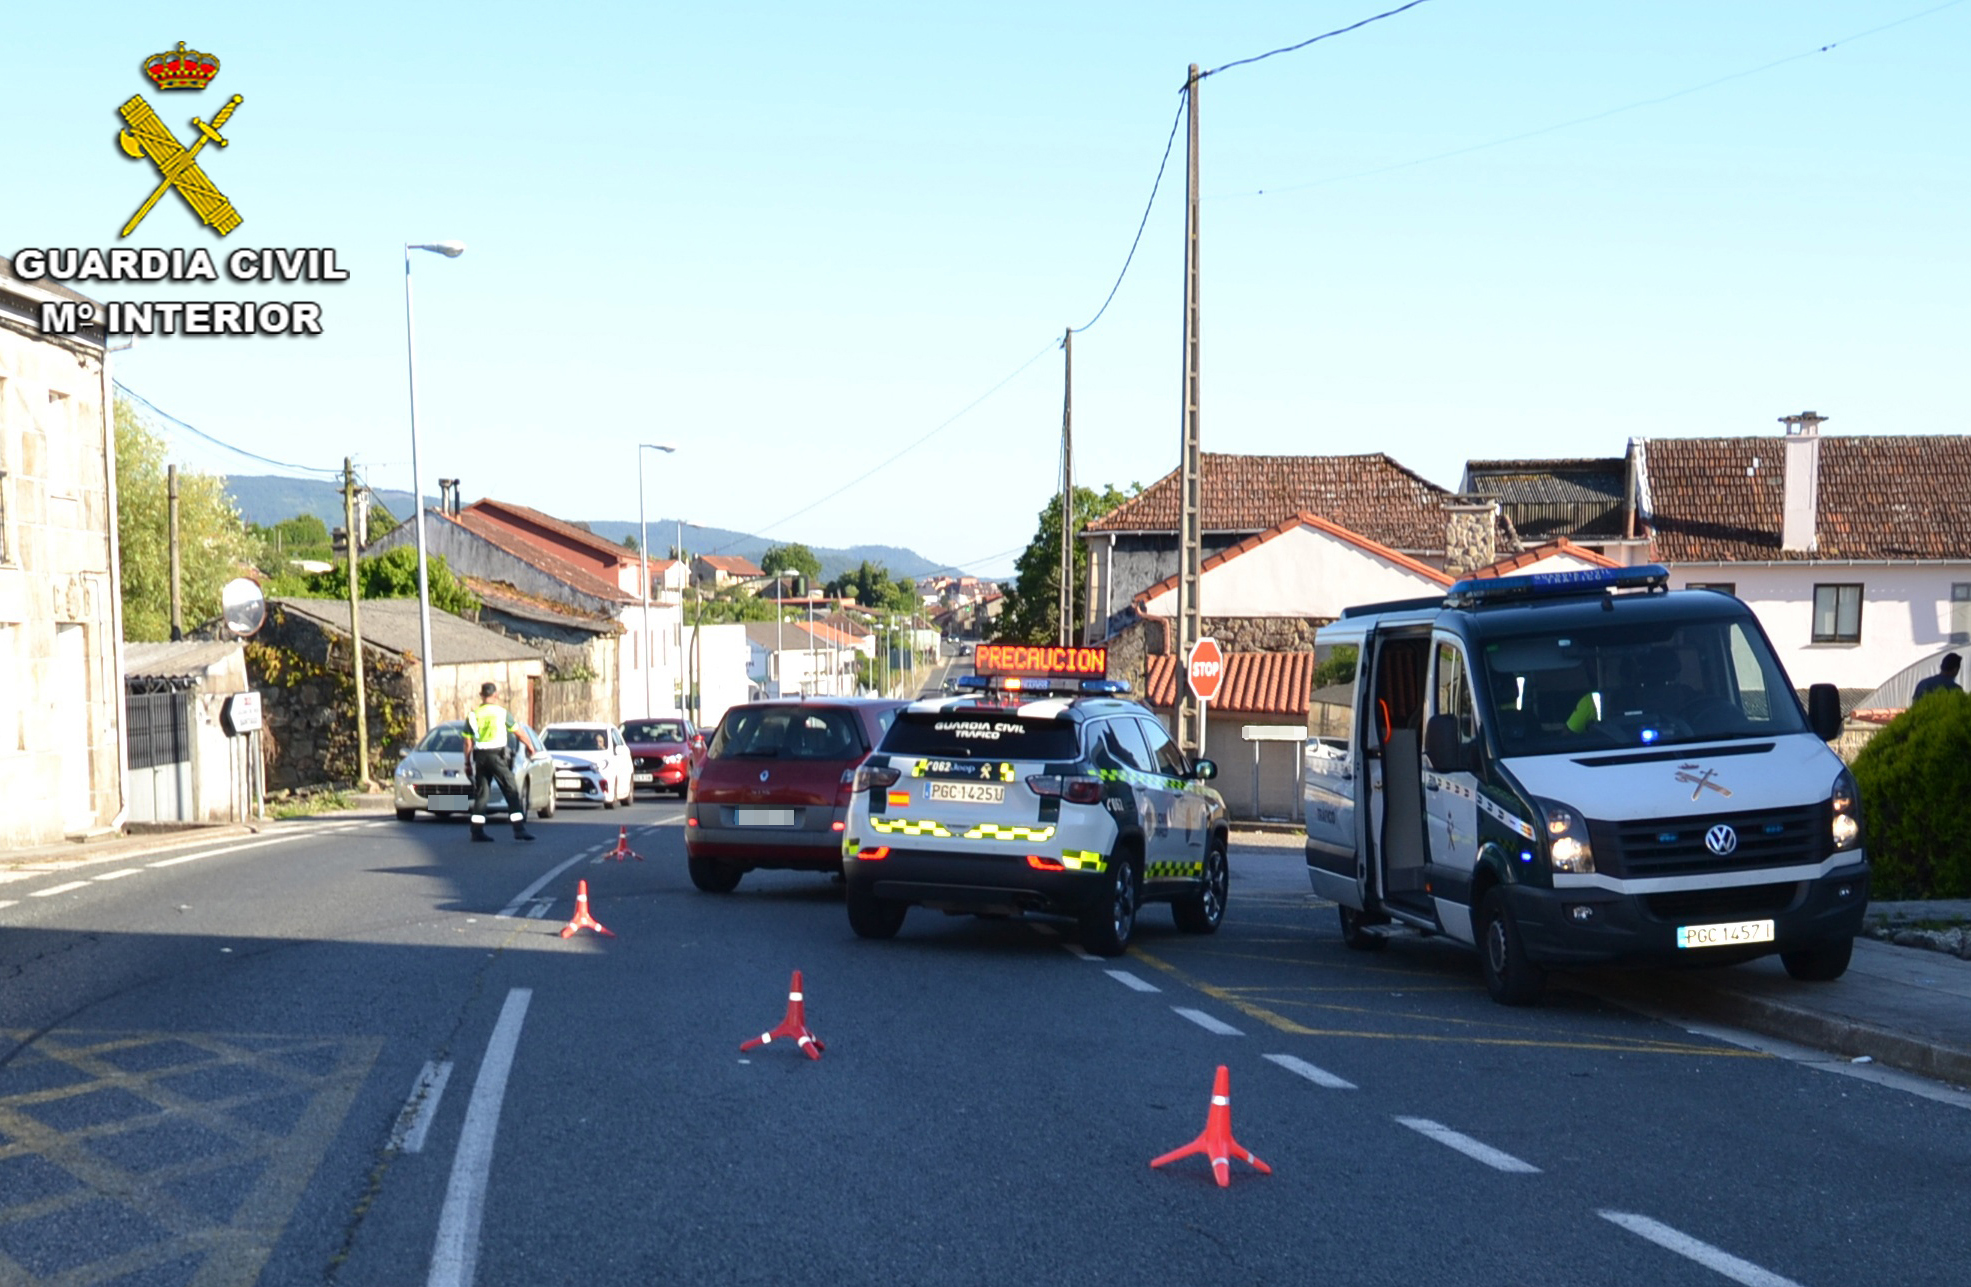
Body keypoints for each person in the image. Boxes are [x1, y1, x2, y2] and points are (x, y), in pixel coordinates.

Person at [463, 681, 540, 842]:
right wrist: (530, 746)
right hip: (496, 756)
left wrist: (467, 763)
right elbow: (519, 733)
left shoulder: (472, 715)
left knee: (482, 793)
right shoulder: (502, 713)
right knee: (511, 787)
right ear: (496, 695)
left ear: (481, 695)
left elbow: (468, 743)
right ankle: (518, 828)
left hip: (480, 757)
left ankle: (476, 831)